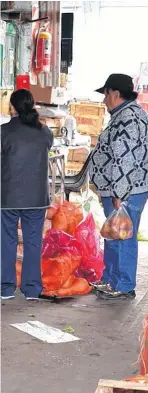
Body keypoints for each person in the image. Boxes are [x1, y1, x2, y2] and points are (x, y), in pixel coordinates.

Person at [89, 73, 148, 299]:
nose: (104, 100)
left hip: (127, 190)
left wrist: (119, 192)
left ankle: (124, 284)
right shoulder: (123, 115)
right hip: (119, 189)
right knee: (113, 234)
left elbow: (125, 159)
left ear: (115, 93)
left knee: (123, 236)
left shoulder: (128, 118)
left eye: (105, 95)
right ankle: (111, 278)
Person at [1, 89, 53, 300]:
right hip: (36, 197)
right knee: (33, 242)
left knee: (7, 241)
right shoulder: (44, 132)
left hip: (8, 196)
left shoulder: (4, 131)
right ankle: (32, 289)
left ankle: (5, 288)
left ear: (12, 106)